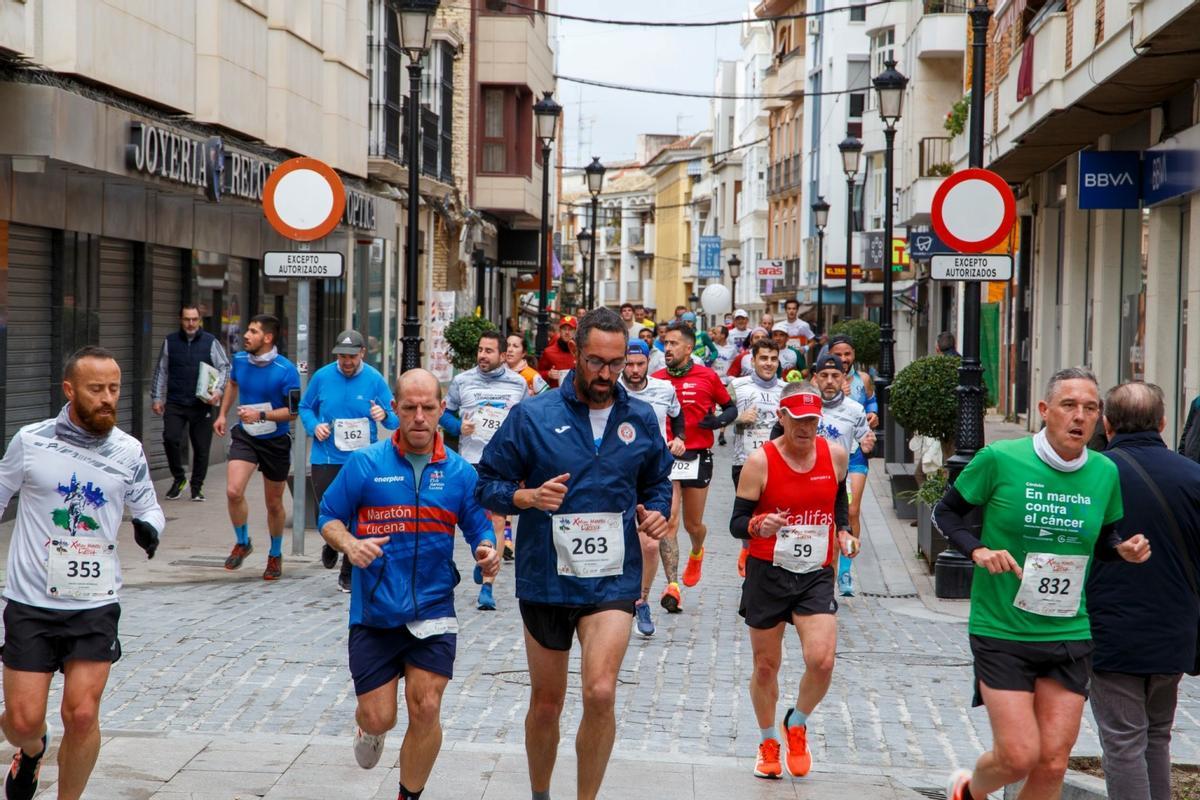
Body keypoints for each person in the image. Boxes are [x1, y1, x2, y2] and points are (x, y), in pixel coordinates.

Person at [474, 307, 673, 800]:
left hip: (612, 580)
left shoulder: (640, 417)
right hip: (547, 578)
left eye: (615, 362)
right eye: (595, 362)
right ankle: (541, 793)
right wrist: (526, 498)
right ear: (576, 355)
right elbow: (487, 486)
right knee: (547, 703)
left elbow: (656, 481)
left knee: (601, 692)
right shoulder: (533, 415)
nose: (606, 374)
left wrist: (657, 512)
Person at [933, 367, 1151, 800]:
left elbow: (1104, 538)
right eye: (1069, 405)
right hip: (1002, 629)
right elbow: (946, 513)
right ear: (1044, 410)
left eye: (1091, 408)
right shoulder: (1001, 459)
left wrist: (1122, 550)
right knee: (1017, 756)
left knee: (1052, 762)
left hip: (1069, 631)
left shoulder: (1105, 472)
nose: (1080, 416)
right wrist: (977, 550)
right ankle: (968, 793)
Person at [317, 368, 500, 800]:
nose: (419, 417)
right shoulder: (365, 464)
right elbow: (328, 515)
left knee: (427, 706)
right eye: (410, 407)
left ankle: (408, 795)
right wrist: (350, 543)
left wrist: (486, 550)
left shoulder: (458, 473)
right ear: (395, 409)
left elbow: (479, 526)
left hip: (434, 606)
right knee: (382, 717)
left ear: (441, 410)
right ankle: (370, 725)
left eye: (429, 408)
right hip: (376, 611)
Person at [0, 346, 165, 800]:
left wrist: (150, 526)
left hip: (93, 601)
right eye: (96, 389)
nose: (107, 397)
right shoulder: (30, 441)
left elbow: (148, 503)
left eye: (113, 388)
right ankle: (31, 751)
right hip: (31, 600)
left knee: (82, 714)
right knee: (20, 720)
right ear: (70, 390)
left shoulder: (128, 450)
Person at [729, 382, 855, 780]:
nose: (805, 428)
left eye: (813, 420)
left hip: (816, 572)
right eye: (798, 420)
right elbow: (736, 524)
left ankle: (796, 722)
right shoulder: (760, 462)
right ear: (781, 417)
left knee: (822, 660)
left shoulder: (835, 455)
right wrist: (759, 525)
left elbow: (838, 503)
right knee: (766, 666)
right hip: (768, 572)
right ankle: (768, 742)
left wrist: (844, 532)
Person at [1088, 382, 1200, 800]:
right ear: (1164, 423)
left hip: (1113, 629)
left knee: (1122, 740)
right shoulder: (1193, 476)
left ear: (1107, 423)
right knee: (1157, 735)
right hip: (1176, 629)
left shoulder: (1094, 474)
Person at [300, 330, 399, 593]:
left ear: (362, 354)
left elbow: (395, 417)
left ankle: (348, 571)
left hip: (362, 459)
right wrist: (314, 426)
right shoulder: (322, 376)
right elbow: (305, 407)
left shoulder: (374, 379)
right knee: (328, 511)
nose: (346, 361)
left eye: (352, 356)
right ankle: (332, 542)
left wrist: (383, 414)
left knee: (359, 515)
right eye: (342, 356)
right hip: (327, 457)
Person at [439, 330, 529, 611]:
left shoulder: (518, 384)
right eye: (480, 349)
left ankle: (488, 585)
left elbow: (527, 421)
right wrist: (457, 427)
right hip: (469, 460)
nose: (482, 355)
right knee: (459, 517)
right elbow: (443, 413)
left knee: (498, 521)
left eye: (489, 351)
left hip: (502, 462)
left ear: (503, 356)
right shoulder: (462, 381)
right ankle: (481, 555)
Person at [654, 321, 738, 612]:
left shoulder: (707, 377)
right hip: (667, 456)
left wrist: (717, 423)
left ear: (688, 348)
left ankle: (697, 550)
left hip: (697, 456)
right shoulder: (657, 379)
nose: (667, 348)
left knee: (693, 524)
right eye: (665, 343)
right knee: (670, 519)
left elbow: (731, 407)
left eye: (673, 344)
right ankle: (672, 586)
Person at [213, 314, 301, 580]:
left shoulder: (287, 370)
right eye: (247, 331)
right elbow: (233, 383)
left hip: (275, 440)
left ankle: (274, 554)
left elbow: (294, 413)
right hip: (246, 435)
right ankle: (243, 541)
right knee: (233, 490)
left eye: (253, 331)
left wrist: (261, 415)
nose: (246, 336)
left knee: (273, 503)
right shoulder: (239, 361)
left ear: (268, 337)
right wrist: (221, 414)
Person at [619, 339, 686, 637]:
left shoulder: (664, 389)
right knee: (620, 539)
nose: (634, 370)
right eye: (629, 364)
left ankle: (641, 600)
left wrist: (680, 437)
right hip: (617, 473)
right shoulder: (611, 390)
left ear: (649, 363)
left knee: (649, 543)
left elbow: (677, 415)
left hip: (653, 472)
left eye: (640, 364)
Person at [150, 305, 230, 501]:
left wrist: (218, 391)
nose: (191, 323)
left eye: (194, 319)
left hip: (201, 403)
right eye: (187, 319)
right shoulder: (170, 341)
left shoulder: (210, 342)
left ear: (200, 320)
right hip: (176, 401)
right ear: (180, 320)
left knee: (201, 448)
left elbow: (225, 367)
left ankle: (197, 486)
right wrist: (157, 397)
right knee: (170, 438)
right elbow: (162, 370)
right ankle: (179, 479)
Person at [811, 355, 875, 596]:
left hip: (836, 482)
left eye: (835, 376)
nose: (829, 381)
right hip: (804, 479)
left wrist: (869, 444)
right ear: (816, 378)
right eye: (824, 376)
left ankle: (826, 589)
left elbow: (866, 440)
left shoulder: (855, 410)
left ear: (843, 378)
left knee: (835, 530)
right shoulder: (807, 405)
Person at [729, 339, 784, 578]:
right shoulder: (737, 385)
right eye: (763, 358)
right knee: (749, 517)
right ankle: (747, 551)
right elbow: (717, 416)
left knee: (773, 515)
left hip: (778, 463)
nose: (768, 363)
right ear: (753, 361)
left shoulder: (785, 389)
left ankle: (765, 563)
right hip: (745, 462)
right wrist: (739, 418)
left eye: (773, 358)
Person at [827, 335, 876, 566]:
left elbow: (871, 402)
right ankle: (830, 563)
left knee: (852, 511)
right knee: (830, 514)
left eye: (847, 354)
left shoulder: (863, 379)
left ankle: (846, 566)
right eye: (838, 354)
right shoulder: (821, 379)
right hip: (830, 454)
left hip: (855, 453)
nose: (844, 359)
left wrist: (873, 415)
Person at [710, 326, 739, 447]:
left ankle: (722, 432)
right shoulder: (710, 347)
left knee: (725, 407)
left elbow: (736, 363)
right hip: (712, 379)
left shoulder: (732, 349)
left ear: (723, 335)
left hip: (725, 380)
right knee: (711, 407)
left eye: (715, 333)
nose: (713, 335)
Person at [538, 316, 577, 389]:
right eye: (564, 329)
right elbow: (538, 374)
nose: (567, 332)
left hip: (576, 395)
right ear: (560, 331)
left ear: (575, 331)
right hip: (556, 395)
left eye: (570, 329)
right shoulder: (549, 352)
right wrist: (548, 374)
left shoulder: (580, 351)